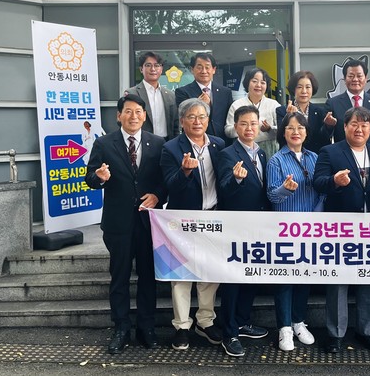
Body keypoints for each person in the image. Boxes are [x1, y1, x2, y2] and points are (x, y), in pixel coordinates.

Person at [84, 94, 165, 354]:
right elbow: (90, 178)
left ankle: (146, 328)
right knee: (119, 277)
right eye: (128, 111)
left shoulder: (158, 143)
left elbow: (165, 179)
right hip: (118, 223)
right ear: (119, 116)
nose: (133, 116)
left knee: (148, 277)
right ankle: (121, 328)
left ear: (145, 115)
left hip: (147, 222)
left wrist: (158, 196)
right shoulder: (104, 143)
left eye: (138, 111)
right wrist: (99, 177)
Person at [313, 106, 370, 354]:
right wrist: (334, 181)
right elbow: (318, 182)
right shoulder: (330, 152)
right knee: (338, 280)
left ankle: (366, 331)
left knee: (369, 278)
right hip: (340, 228)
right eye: (354, 124)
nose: (359, 129)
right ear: (344, 127)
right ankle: (335, 334)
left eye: (364, 125)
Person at [159, 98, 225, 351]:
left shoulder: (219, 144)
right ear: (182, 121)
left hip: (213, 217)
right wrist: (185, 171)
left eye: (202, 116)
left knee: (210, 272)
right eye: (192, 117)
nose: (197, 121)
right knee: (181, 274)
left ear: (208, 120)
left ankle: (205, 321)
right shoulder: (171, 148)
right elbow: (169, 185)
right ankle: (182, 326)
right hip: (182, 221)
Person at [216, 106, 271, 357]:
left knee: (252, 275)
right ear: (236, 127)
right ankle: (229, 332)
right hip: (236, 225)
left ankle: (242, 321)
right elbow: (224, 188)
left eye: (253, 123)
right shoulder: (227, 154)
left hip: (258, 224)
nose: (249, 128)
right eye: (244, 124)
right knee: (233, 279)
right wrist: (236, 179)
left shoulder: (262, 153)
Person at [266, 112, 323, 351]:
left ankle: (299, 322)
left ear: (306, 132)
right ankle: (284, 328)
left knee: (304, 276)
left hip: (311, 228)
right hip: (285, 229)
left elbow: (322, 191)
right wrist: (286, 189)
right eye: (290, 128)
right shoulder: (276, 160)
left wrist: (316, 216)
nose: (295, 132)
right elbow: (272, 196)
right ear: (283, 132)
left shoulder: (315, 158)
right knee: (285, 279)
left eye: (300, 127)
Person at [322, 59, 370, 149]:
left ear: (366, 78)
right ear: (344, 79)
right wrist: (328, 126)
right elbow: (323, 137)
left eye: (359, 76)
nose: (355, 79)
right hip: (344, 153)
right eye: (351, 76)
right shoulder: (333, 103)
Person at [175, 53, 232, 143]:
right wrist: (200, 104)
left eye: (207, 67)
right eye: (199, 67)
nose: (204, 71)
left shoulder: (225, 92)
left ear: (214, 70)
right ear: (192, 69)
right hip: (196, 141)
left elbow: (229, 119)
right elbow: (184, 117)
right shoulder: (182, 92)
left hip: (223, 142)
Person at [225, 68, 281, 157]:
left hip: (269, 148)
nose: (258, 85)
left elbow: (283, 129)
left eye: (263, 82)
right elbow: (228, 131)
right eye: (254, 81)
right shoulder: (236, 105)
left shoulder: (274, 105)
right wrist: (242, 127)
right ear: (247, 83)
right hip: (243, 147)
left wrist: (269, 129)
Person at [125, 51, 178, 140]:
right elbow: (125, 121)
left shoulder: (170, 95)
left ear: (161, 69)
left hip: (167, 142)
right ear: (141, 69)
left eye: (157, 65)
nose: (153, 69)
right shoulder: (132, 93)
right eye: (148, 65)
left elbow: (175, 123)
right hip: (142, 142)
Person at [275, 70, 328, 153]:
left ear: (313, 89)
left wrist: (329, 126)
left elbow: (324, 138)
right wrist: (289, 116)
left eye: (308, 87)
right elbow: (280, 137)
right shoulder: (282, 110)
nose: (304, 91)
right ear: (293, 89)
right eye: (299, 87)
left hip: (314, 156)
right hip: (289, 156)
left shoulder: (320, 111)